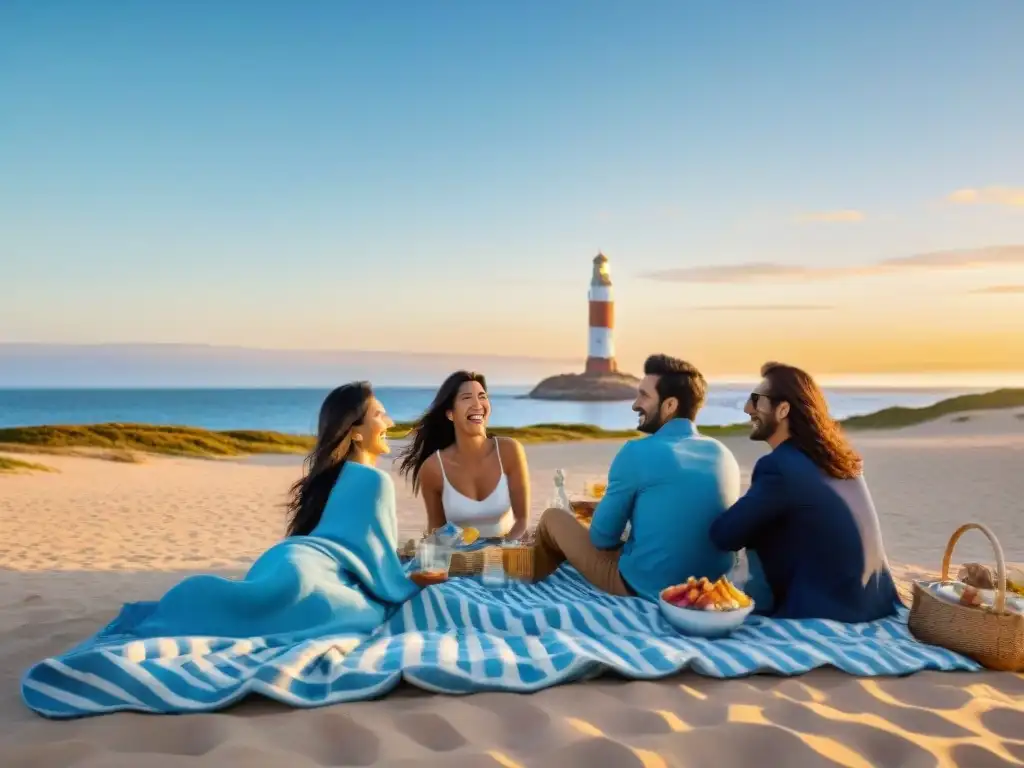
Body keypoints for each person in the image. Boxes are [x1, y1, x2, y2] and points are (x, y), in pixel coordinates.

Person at [104, 382, 428, 641]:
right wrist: (414, 579)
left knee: (258, 598)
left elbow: (354, 544)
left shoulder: (327, 477)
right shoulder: (374, 480)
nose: (390, 422)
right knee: (362, 613)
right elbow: (380, 569)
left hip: (283, 557)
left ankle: (188, 608)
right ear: (355, 430)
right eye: (380, 415)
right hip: (311, 566)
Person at [533, 354, 742, 601]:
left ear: (670, 405)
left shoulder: (636, 452)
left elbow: (601, 539)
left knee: (552, 518)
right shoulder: (723, 454)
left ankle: (523, 578)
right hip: (711, 588)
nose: (635, 404)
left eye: (644, 395)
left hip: (647, 586)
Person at [709, 362, 900, 623]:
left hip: (826, 614)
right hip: (876, 605)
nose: (747, 409)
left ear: (783, 409)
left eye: (756, 400)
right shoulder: (842, 460)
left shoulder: (777, 467)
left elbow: (724, 535)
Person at [397, 371, 530, 540]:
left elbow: (522, 521)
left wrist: (502, 551)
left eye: (482, 396)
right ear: (450, 414)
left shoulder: (509, 450)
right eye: (467, 398)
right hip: (462, 562)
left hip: (508, 556)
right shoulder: (433, 468)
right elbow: (437, 532)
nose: (477, 404)